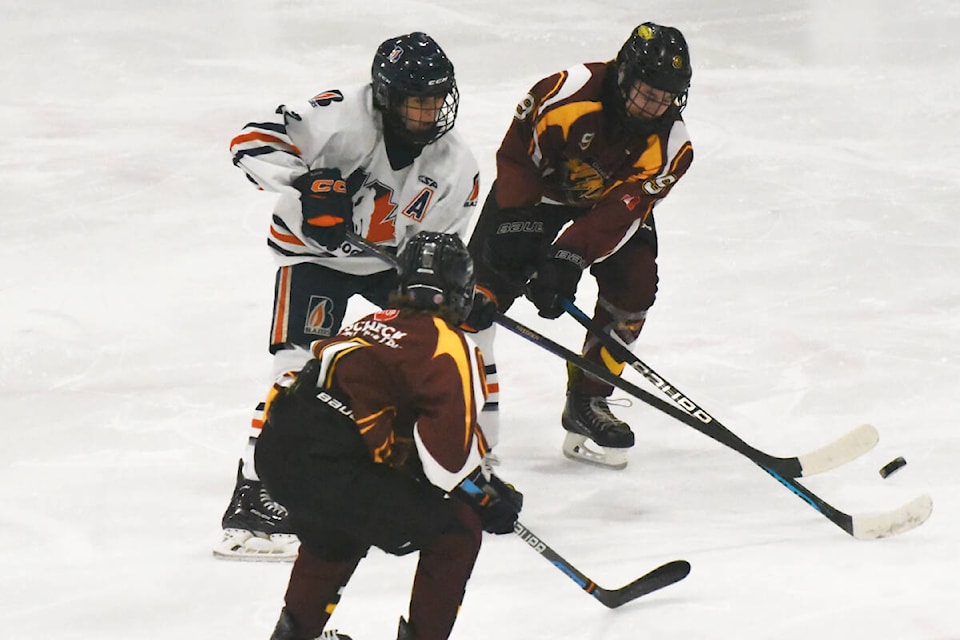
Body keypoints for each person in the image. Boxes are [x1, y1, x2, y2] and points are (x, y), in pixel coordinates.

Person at [216, 32, 481, 560]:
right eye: (416, 100)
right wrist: (308, 182)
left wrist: (453, 287)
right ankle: (256, 493)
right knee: (296, 371)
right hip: (314, 260)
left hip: (392, 269)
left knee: (435, 352)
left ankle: (428, 460)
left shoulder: (456, 165)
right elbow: (249, 144)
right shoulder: (339, 116)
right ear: (385, 95)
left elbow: (447, 241)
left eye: (436, 99)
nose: (429, 113)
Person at [254, 231, 522, 640]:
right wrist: (485, 497)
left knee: (337, 525)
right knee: (457, 530)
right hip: (335, 467)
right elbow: (448, 462)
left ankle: (293, 633)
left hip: (280, 453)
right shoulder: (449, 346)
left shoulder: (371, 322)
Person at [465, 22, 694, 470]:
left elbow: (619, 212)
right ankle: (445, 401)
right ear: (624, 74)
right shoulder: (566, 95)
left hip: (604, 209)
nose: (655, 107)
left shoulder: (672, 146)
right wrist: (519, 224)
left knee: (636, 284)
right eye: (648, 93)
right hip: (538, 193)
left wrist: (566, 258)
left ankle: (588, 399)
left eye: (666, 98)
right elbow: (516, 157)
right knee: (475, 297)